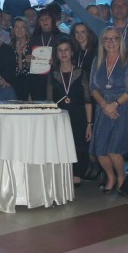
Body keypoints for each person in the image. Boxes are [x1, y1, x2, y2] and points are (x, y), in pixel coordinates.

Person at [90, 27, 128, 195]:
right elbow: (92, 87)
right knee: (100, 150)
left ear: (120, 41)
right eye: (107, 39)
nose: (110, 42)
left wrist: (115, 104)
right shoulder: (97, 60)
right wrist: (104, 105)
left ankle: (121, 178)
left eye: (114, 38)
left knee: (114, 150)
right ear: (102, 42)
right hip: (103, 107)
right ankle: (110, 177)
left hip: (122, 108)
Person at [46, 40, 93, 186]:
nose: (63, 53)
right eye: (60, 50)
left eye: (66, 49)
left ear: (72, 52)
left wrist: (89, 123)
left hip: (78, 115)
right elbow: (49, 101)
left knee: (78, 144)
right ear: (56, 54)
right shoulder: (52, 74)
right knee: (61, 144)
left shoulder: (81, 72)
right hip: (60, 116)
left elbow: (87, 100)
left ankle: (77, 173)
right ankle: (63, 172)